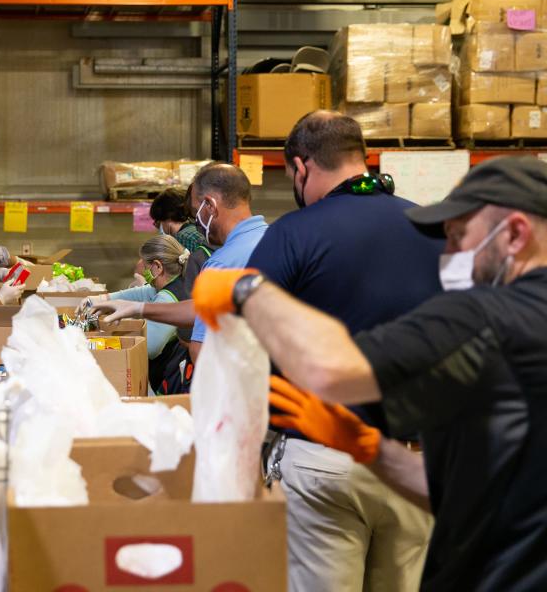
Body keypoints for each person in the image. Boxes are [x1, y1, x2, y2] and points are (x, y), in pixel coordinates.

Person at [192, 155, 547, 591]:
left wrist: (246, 290)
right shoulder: (513, 348)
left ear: (514, 234)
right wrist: (370, 449)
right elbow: (469, 490)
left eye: (458, 238)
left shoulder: (489, 316)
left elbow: (332, 368)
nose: (450, 256)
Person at [244, 111, 441, 591]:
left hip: (324, 460)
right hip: (420, 463)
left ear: (301, 166)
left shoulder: (292, 234)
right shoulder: (435, 229)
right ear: (364, 158)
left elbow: (244, 337)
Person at [91, 164, 268, 363]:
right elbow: (206, 308)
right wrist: (139, 308)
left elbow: (200, 351)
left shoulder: (221, 263)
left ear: (210, 205)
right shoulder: (274, 240)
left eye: (195, 212)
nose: (196, 223)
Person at [83, 235, 192, 394]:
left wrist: (106, 341)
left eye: (145, 265)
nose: (142, 268)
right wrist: (103, 299)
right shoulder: (180, 281)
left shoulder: (168, 297)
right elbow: (142, 293)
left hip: (165, 382)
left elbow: (149, 347)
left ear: (157, 267)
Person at [150, 187, 208, 253]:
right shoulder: (196, 228)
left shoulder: (183, 238)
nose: (159, 228)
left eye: (157, 224)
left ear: (167, 216)